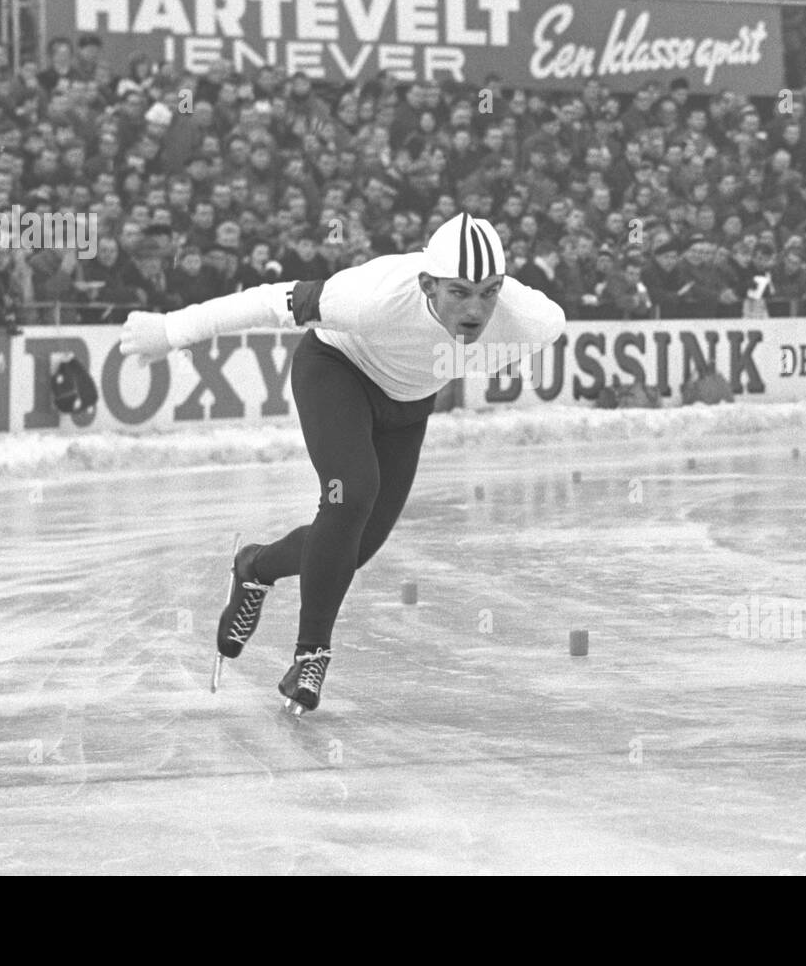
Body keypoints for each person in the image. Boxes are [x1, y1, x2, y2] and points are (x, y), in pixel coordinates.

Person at [118, 213, 566, 714]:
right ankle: (311, 654)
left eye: (489, 292)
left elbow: (503, 334)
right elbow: (268, 300)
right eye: (459, 292)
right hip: (337, 371)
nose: (476, 309)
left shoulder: (533, 321)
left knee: (354, 548)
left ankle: (256, 566)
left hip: (407, 406)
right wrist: (171, 330)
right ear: (426, 283)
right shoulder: (371, 295)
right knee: (350, 493)